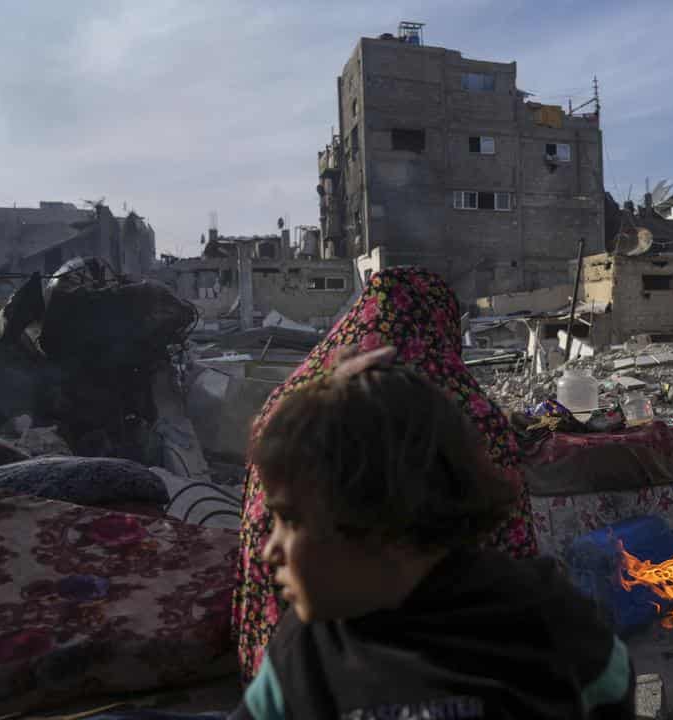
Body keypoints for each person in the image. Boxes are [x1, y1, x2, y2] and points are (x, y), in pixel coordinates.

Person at [226, 365, 634, 719]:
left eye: (291, 521)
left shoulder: (542, 618)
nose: (268, 550)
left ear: (378, 513)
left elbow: (612, 689)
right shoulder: (303, 654)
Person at [232, 268, 538, 683]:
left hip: (297, 624)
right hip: (450, 644)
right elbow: (508, 536)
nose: (271, 547)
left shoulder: (294, 402)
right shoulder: (464, 409)